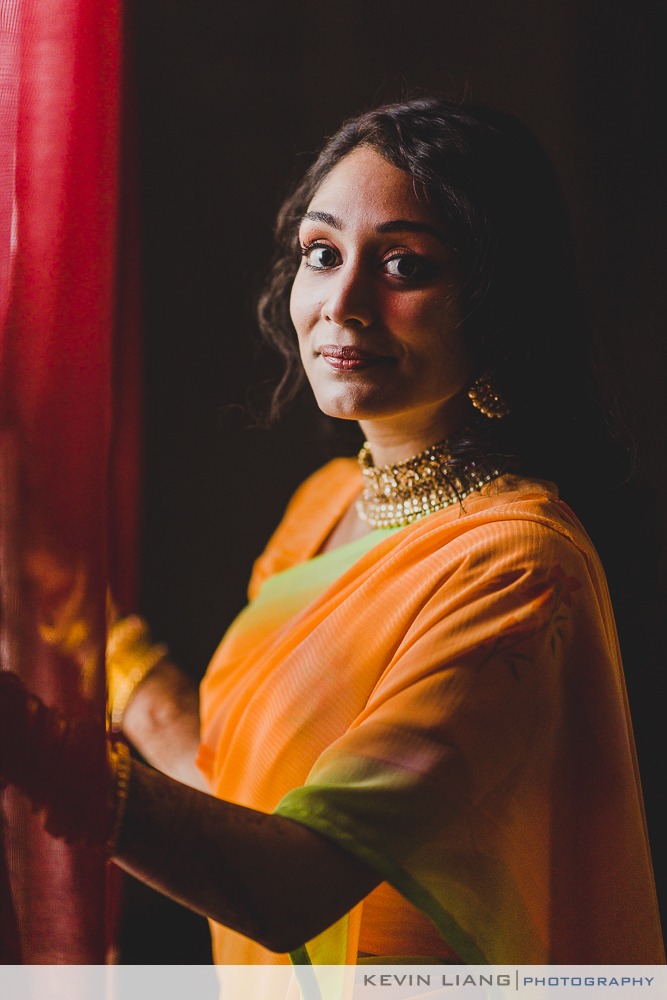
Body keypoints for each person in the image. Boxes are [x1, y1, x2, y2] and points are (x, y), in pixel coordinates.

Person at [0, 97, 663, 970]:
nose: (342, 301)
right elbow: (231, 783)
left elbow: (289, 885)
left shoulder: (515, 568)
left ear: (498, 309)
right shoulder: (324, 505)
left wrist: (29, 747)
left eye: (403, 265)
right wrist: (74, 615)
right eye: (322, 253)